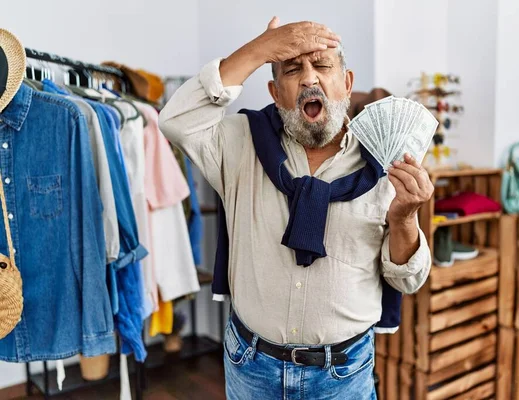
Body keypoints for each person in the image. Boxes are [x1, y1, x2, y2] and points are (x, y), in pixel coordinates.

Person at [159, 16, 433, 400]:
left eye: (322, 66)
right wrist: (258, 49)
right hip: (250, 366)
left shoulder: (386, 162)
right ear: (274, 91)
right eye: (292, 69)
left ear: (347, 84)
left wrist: (404, 218)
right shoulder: (240, 144)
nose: (308, 79)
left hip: (344, 375)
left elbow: (408, 280)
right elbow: (176, 121)